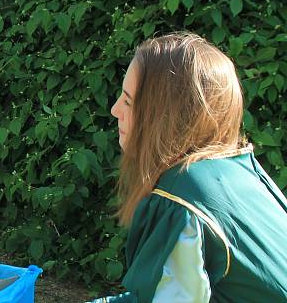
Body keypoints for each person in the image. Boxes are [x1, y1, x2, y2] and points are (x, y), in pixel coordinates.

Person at [94, 33, 287, 302]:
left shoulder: (181, 198)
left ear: (165, 117)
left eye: (128, 101)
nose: (115, 110)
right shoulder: (238, 171)